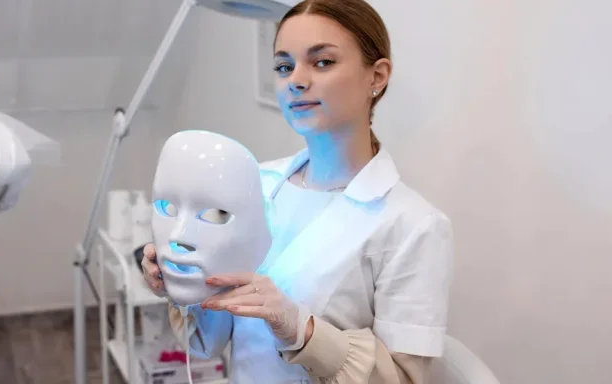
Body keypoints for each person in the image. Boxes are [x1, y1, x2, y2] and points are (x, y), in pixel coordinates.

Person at [141, 0, 454, 382]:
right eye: (284, 67)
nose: (297, 80)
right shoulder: (254, 185)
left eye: (322, 62)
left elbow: (405, 378)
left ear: (377, 76)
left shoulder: (414, 226)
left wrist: (301, 331)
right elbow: (207, 343)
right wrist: (183, 284)